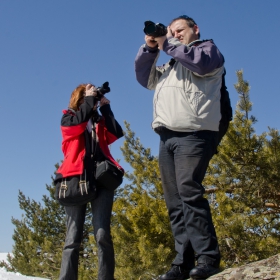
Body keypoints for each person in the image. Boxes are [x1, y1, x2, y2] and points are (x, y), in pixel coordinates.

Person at [135, 15, 224, 280]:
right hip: (167, 138)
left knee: (189, 192)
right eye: (171, 31)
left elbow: (201, 65)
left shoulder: (207, 51)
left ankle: (207, 258)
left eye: (180, 30)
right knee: (174, 202)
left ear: (195, 29)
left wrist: (167, 42)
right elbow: (144, 77)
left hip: (194, 135)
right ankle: (182, 264)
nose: (175, 34)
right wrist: (151, 48)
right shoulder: (171, 65)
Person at [55, 84, 124, 280]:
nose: (93, 97)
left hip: (101, 179)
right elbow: (76, 125)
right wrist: (90, 99)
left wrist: (106, 108)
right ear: (80, 98)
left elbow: (115, 133)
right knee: (72, 237)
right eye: (89, 94)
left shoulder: (97, 121)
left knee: (102, 234)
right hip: (76, 178)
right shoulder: (68, 118)